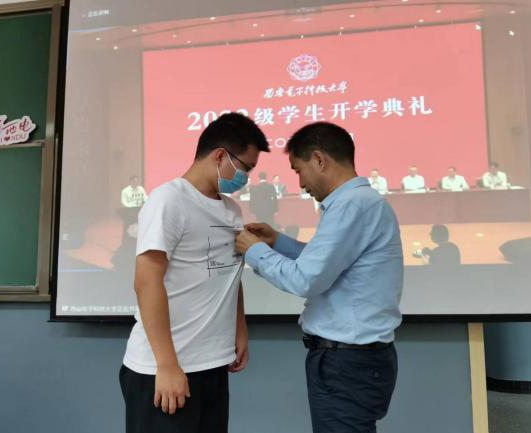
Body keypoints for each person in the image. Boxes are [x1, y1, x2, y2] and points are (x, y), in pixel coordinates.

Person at [235, 122, 403, 433]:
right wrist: (277, 242)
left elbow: (306, 279)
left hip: (347, 362)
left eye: (299, 171)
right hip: (352, 360)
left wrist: (254, 251)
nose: (300, 184)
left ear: (319, 160)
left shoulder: (352, 205)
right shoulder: (358, 203)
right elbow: (327, 264)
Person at [119, 113, 269, 433]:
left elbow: (229, 276)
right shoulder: (168, 200)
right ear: (220, 156)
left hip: (212, 364)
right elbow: (146, 282)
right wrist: (167, 364)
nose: (246, 177)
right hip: (164, 369)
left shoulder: (231, 210)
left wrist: (239, 329)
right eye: (245, 168)